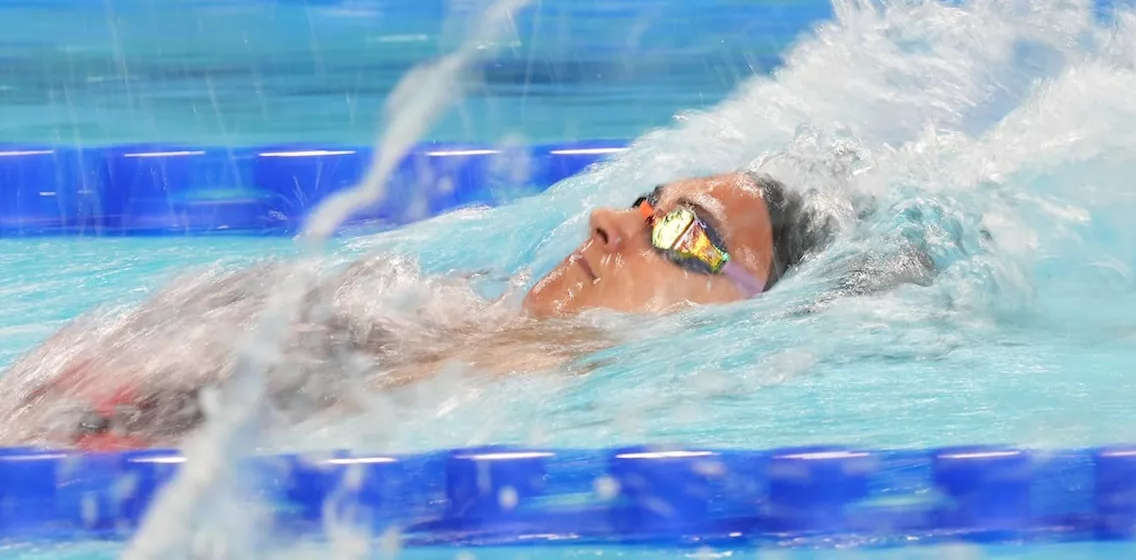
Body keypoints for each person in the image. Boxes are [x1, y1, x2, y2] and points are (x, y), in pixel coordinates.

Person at [0, 171, 884, 450]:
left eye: (687, 231)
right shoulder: (446, 301)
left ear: (743, 310)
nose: (611, 220)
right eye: (649, 201)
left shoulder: (535, 398)